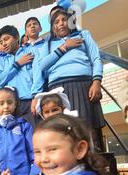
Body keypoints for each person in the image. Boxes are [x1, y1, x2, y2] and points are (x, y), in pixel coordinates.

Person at [35, 8, 105, 151]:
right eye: (56, 21)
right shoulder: (48, 43)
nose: (61, 23)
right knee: (62, 131)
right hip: (57, 89)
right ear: (52, 27)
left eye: (64, 20)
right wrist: (64, 47)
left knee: (85, 129)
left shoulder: (83, 35)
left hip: (83, 85)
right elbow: (41, 65)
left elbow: (96, 59)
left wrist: (97, 81)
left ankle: (91, 164)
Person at [0, 25, 36, 124]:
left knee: (34, 135)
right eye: (1, 42)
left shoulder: (29, 52)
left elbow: (37, 75)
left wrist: (36, 96)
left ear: (17, 37)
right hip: (11, 105)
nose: (4, 44)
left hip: (30, 101)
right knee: (16, 137)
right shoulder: (1, 62)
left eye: (6, 39)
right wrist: (17, 64)